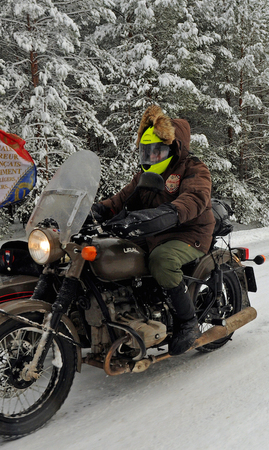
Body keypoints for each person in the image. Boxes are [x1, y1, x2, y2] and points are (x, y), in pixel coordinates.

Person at [89, 105, 215, 355]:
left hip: (189, 232)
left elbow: (195, 198)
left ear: (173, 148)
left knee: (162, 260)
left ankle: (188, 322)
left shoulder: (193, 168)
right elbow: (118, 201)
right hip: (153, 231)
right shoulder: (142, 177)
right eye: (145, 152)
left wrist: (171, 212)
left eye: (156, 151)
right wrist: (93, 211)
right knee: (112, 251)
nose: (150, 158)